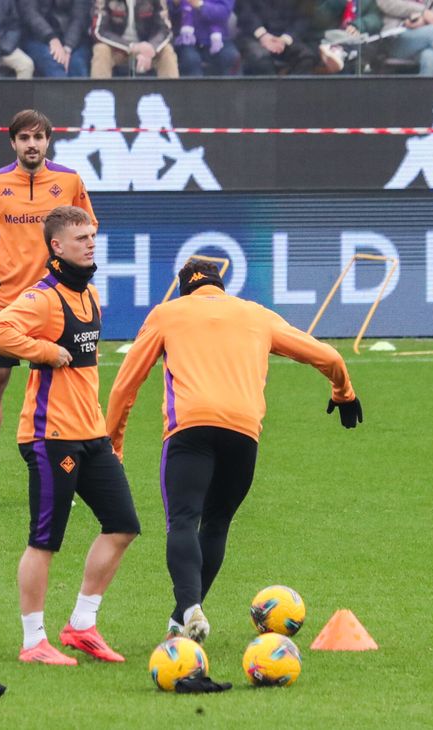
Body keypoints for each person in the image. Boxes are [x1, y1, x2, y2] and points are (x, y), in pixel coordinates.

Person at [105, 260, 362, 643]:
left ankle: (189, 608)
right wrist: (343, 392)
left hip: (189, 428)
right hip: (243, 434)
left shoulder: (167, 314)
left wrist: (113, 446)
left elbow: (125, 385)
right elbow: (330, 357)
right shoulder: (256, 314)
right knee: (216, 524)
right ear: (220, 286)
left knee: (183, 521)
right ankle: (180, 621)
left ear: (184, 290)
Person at [0, 205, 140, 665]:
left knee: (123, 525)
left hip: (91, 434)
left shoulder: (89, 294)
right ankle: (34, 642)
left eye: (92, 236)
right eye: (81, 238)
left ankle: (81, 625)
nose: (90, 243)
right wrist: (44, 351)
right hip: (50, 437)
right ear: (56, 246)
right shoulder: (43, 297)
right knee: (45, 539)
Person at [0, 109, 96, 506]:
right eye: (24, 138)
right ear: (13, 143)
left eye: (38, 137)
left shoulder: (69, 181)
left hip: (55, 301)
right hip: (6, 302)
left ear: (48, 141)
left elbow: (88, 226)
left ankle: (64, 476)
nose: (32, 144)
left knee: (63, 392)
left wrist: (72, 266)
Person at [90, 0, 179, 78]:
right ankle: (100, 90)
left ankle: (171, 91)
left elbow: (165, 29)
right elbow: (99, 30)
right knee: (101, 49)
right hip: (117, 48)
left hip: (147, 47)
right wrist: (131, 46)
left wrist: (152, 47)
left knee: (167, 51)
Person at [377, 0, 433, 75]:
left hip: (425, 35)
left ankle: (426, 92)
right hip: (395, 37)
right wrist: (422, 12)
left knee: (430, 57)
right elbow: (385, 3)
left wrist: (424, 21)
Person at [235, 0, 319, 76]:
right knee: (260, 58)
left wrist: (284, 39)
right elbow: (244, 12)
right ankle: (268, 89)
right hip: (254, 36)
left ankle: (294, 88)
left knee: (306, 57)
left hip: (288, 37)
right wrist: (263, 36)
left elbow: (304, 17)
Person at [18, 0, 93, 77]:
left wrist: (68, 46)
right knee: (54, 65)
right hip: (38, 37)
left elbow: (80, 17)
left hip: (75, 39)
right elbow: (30, 13)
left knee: (77, 64)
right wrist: (51, 38)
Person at [168, 0, 240, 76]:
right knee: (190, 59)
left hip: (218, 39)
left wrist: (200, 5)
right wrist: (175, 4)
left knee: (230, 57)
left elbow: (223, 13)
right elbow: (169, 14)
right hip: (186, 40)